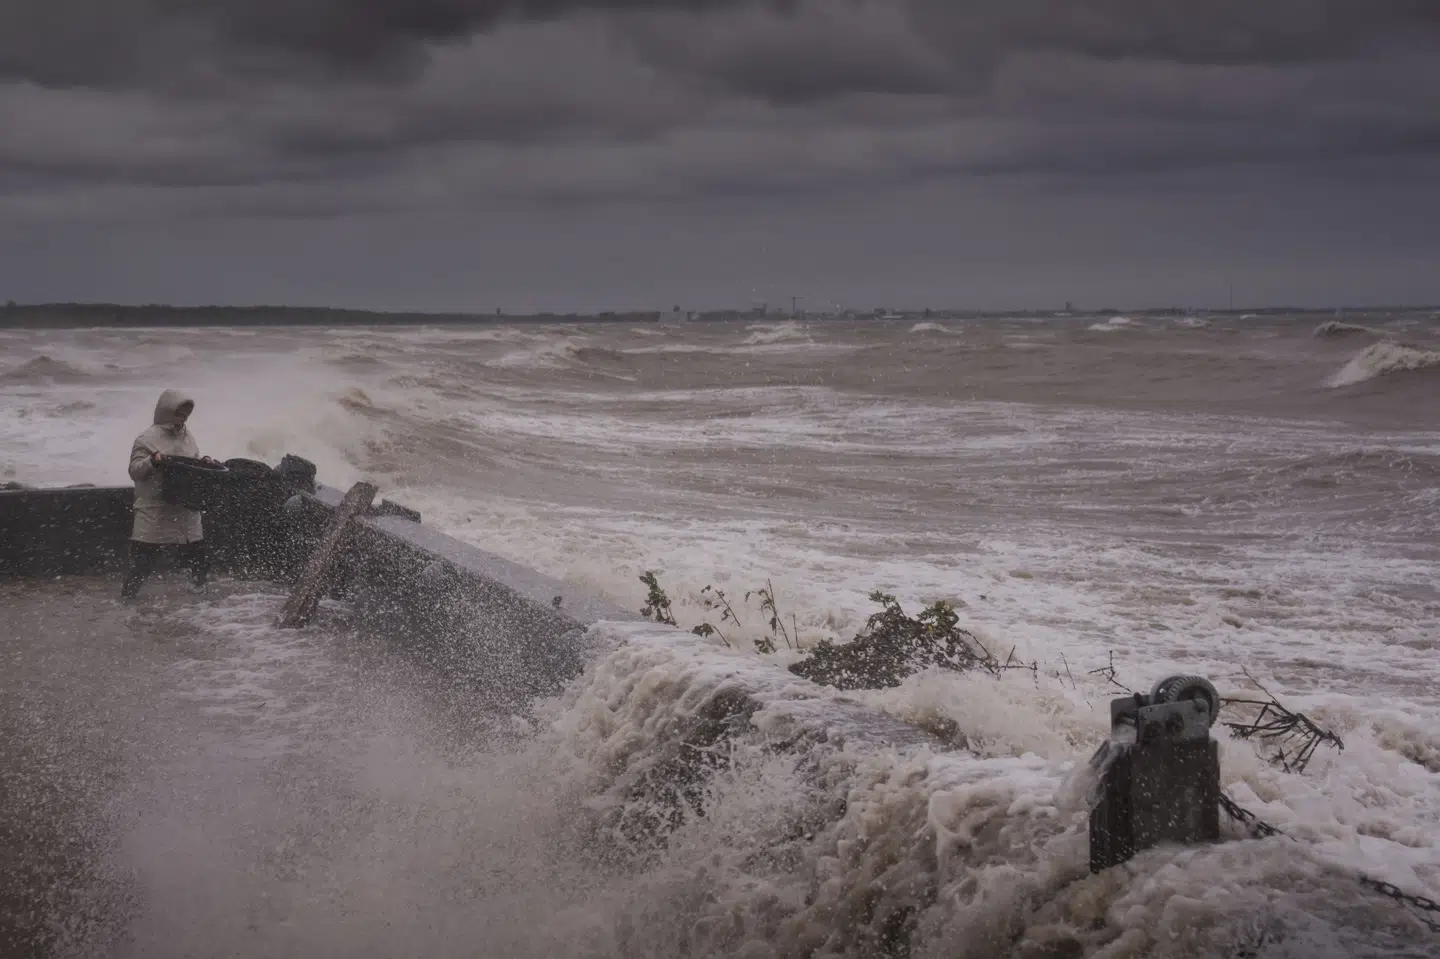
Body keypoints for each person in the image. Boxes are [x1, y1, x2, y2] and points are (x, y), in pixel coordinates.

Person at [121, 389, 215, 599]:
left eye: (185, 416)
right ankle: (128, 598)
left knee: (197, 554)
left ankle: (199, 593)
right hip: (155, 507)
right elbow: (134, 471)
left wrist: (204, 462)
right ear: (166, 412)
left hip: (185, 504)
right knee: (144, 559)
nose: (182, 420)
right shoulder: (146, 439)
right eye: (178, 415)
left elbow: (193, 461)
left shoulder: (187, 436)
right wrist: (152, 461)